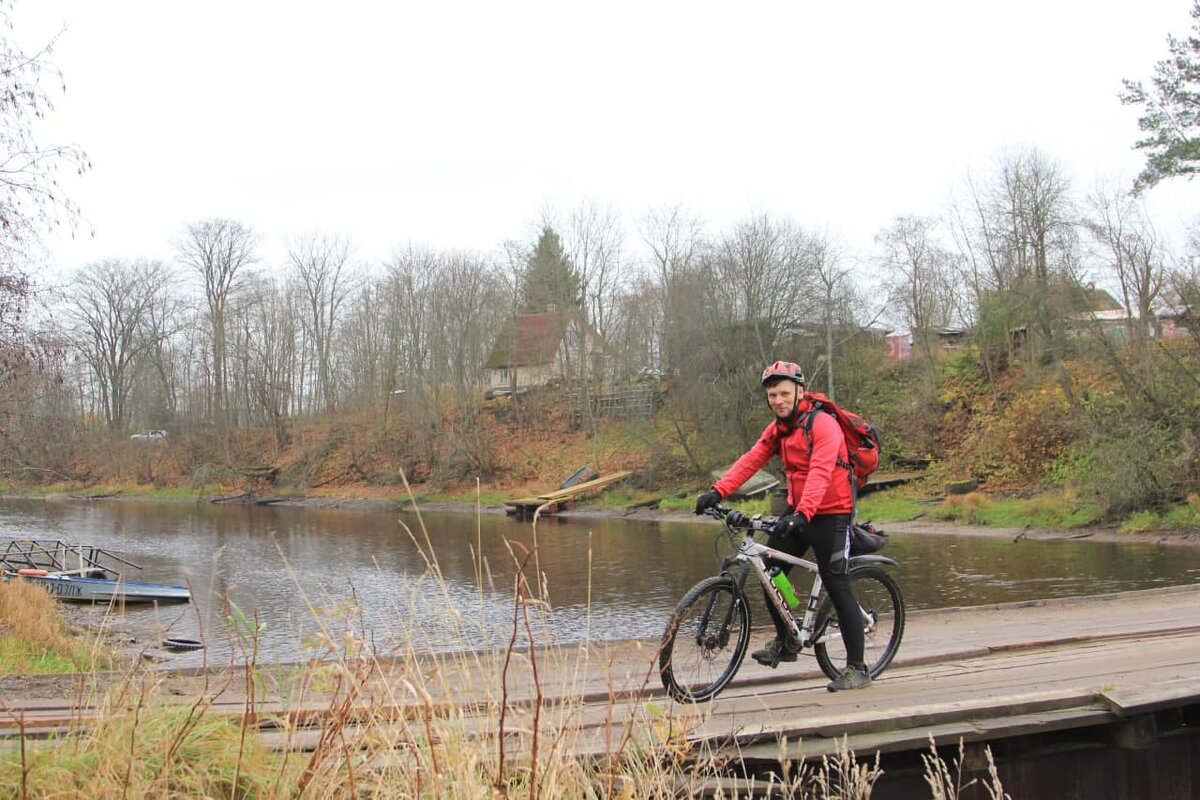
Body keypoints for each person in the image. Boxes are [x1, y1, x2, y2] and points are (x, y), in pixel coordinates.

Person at [694, 360, 871, 692]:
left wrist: (803, 513)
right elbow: (751, 459)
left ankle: (858, 668)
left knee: (836, 582)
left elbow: (820, 472)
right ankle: (788, 640)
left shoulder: (823, 425)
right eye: (772, 394)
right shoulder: (779, 429)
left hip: (831, 512)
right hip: (800, 510)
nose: (778, 400)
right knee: (771, 568)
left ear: (799, 391)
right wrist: (718, 490)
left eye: (784, 393)